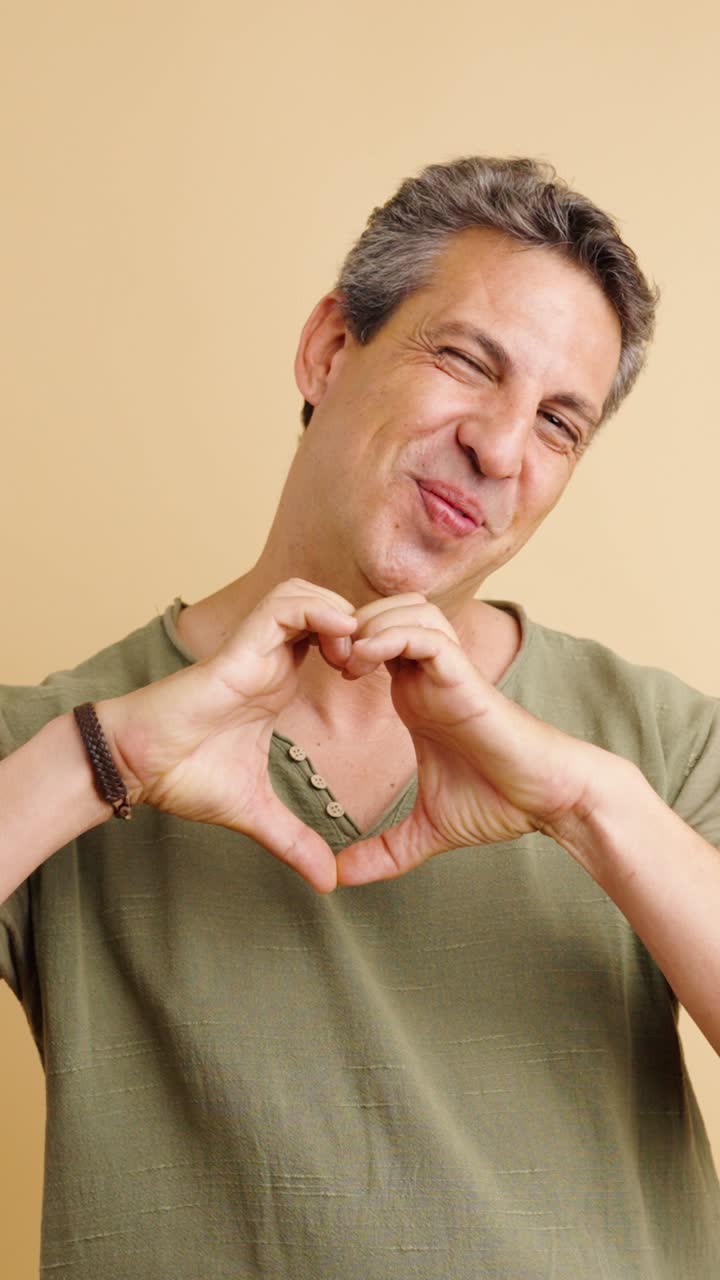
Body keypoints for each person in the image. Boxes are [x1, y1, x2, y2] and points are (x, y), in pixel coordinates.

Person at [2, 156, 719, 1279]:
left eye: (558, 424)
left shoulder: (658, 745)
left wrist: (587, 804)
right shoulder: (54, 748)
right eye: (467, 361)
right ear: (331, 349)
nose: (498, 447)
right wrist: (108, 756)